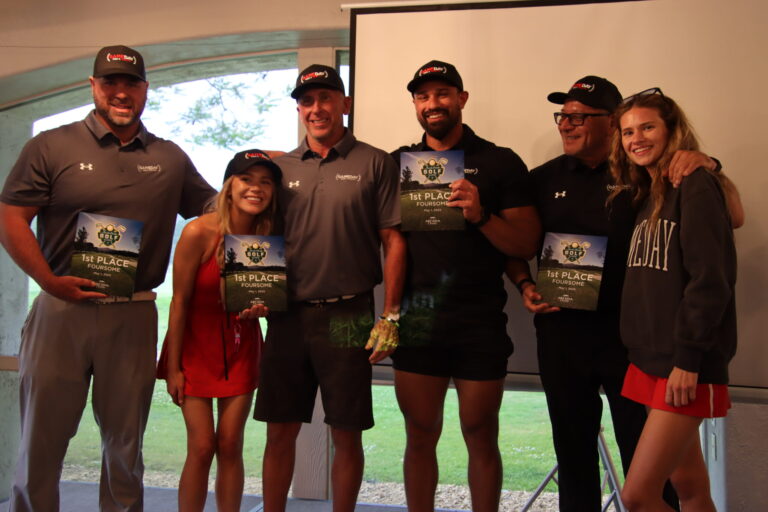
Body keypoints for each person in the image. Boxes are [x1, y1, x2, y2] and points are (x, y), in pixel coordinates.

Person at [506, 76, 742, 512]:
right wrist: (525, 285)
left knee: (650, 473)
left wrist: (707, 163)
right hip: (566, 334)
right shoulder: (545, 178)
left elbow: (727, 231)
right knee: (580, 454)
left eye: (579, 115)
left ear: (608, 122)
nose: (567, 124)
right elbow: (517, 242)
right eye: (563, 115)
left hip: (635, 344)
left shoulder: (652, 177)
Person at [0, 45, 216, 511]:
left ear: (145, 90)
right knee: (41, 443)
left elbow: (217, 211)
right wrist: (48, 280)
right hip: (62, 309)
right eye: (111, 83)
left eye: (131, 84)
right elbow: (12, 219)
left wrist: (261, 171)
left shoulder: (170, 157)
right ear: (94, 86)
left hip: (134, 314)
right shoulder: (50, 146)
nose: (121, 93)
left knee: (125, 448)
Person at [253, 64, 405, 512]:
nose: (316, 109)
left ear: (345, 104)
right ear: (299, 109)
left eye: (325, 98)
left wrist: (390, 314)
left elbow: (393, 240)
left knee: (346, 430)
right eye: (306, 101)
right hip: (286, 317)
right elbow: (258, 235)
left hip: (348, 316)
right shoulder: (278, 169)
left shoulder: (375, 161)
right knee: (279, 431)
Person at [390, 60, 541, 512]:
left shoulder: (499, 161)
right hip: (418, 319)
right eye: (423, 96)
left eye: (442, 93)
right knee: (419, 434)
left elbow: (527, 242)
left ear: (461, 98)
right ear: (415, 104)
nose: (432, 103)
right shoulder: (399, 163)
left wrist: (481, 215)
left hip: (479, 320)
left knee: (480, 434)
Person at [608, 88, 736, 511]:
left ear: (672, 131)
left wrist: (688, 358)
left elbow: (710, 279)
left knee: (638, 497)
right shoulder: (649, 191)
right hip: (651, 359)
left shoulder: (695, 184)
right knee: (689, 487)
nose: (636, 138)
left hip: (682, 364)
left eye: (647, 127)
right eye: (628, 131)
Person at [156, 149, 281, 512]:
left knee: (229, 443)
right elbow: (179, 302)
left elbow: (270, 302)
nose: (255, 188)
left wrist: (264, 309)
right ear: (229, 186)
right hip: (194, 348)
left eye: (266, 182)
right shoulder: (198, 230)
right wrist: (174, 367)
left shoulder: (268, 234)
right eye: (246, 179)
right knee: (201, 445)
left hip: (242, 347)